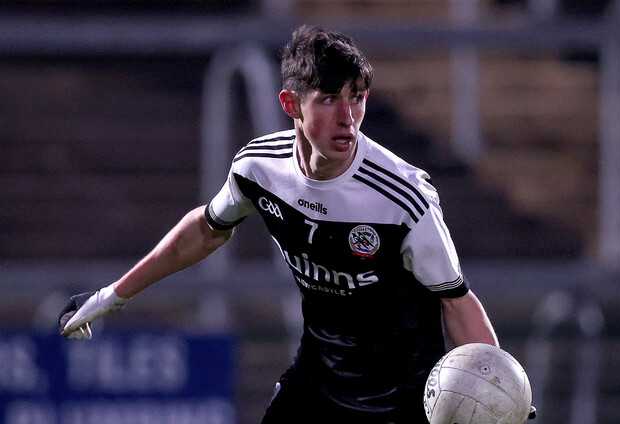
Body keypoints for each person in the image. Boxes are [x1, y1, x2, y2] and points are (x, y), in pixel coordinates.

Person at [58, 25, 500, 423]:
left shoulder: (403, 198)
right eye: (329, 98)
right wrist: (113, 295)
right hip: (314, 392)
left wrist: (497, 391)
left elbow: (456, 302)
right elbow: (206, 230)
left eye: (357, 97)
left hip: (401, 407)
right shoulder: (259, 169)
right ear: (291, 104)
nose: (347, 117)